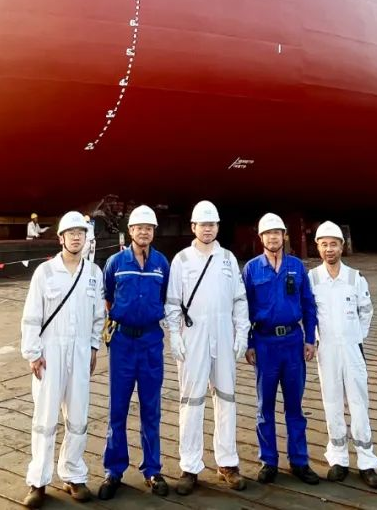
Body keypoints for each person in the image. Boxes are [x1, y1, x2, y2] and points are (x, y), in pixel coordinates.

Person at [19, 210, 106, 507]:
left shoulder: (94, 273)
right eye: (71, 233)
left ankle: (73, 474)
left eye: (81, 233)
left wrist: (93, 347)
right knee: (45, 419)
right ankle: (38, 481)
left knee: (78, 417)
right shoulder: (44, 272)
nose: (76, 237)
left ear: (86, 237)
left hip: (80, 352)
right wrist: (33, 353)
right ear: (61, 238)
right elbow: (31, 316)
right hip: (50, 353)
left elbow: (98, 316)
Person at [165, 200, 250, 495]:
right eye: (203, 224)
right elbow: (172, 303)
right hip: (193, 336)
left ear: (217, 227)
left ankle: (227, 463)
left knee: (227, 398)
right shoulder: (181, 260)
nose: (208, 229)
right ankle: (190, 466)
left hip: (224, 335)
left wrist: (242, 332)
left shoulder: (227, 259)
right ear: (193, 227)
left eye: (212, 224)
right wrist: (174, 335)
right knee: (191, 401)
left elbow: (239, 299)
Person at [98, 205, 170, 500]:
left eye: (148, 228)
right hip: (123, 343)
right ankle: (114, 470)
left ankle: (152, 469)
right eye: (139, 227)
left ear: (154, 232)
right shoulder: (115, 263)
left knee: (151, 408)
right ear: (130, 231)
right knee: (118, 408)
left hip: (151, 341)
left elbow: (164, 296)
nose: (144, 232)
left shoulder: (161, 263)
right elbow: (108, 298)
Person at [243, 213, 320, 485]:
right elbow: (243, 310)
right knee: (264, 407)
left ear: (284, 236)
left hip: (292, 342)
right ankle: (269, 461)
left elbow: (308, 305)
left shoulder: (296, 267)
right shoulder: (251, 269)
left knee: (294, 406)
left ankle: (299, 461)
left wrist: (310, 338)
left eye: (277, 232)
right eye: (268, 233)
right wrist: (249, 343)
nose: (273, 237)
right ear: (261, 237)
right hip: (264, 343)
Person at [309, 221, 377, 490]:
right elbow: (308, 313)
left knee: (358, 402)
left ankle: (367, 461)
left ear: (342, 246)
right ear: (318, 247)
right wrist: (315, 339)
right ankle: (338, 458)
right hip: (326, 349)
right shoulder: (311, 278)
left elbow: (367, 310)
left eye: (334, 244)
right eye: (324, 244)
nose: (329, 249)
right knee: (331, 401)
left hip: (352, 348)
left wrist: (356, 337)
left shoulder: (355, 277)